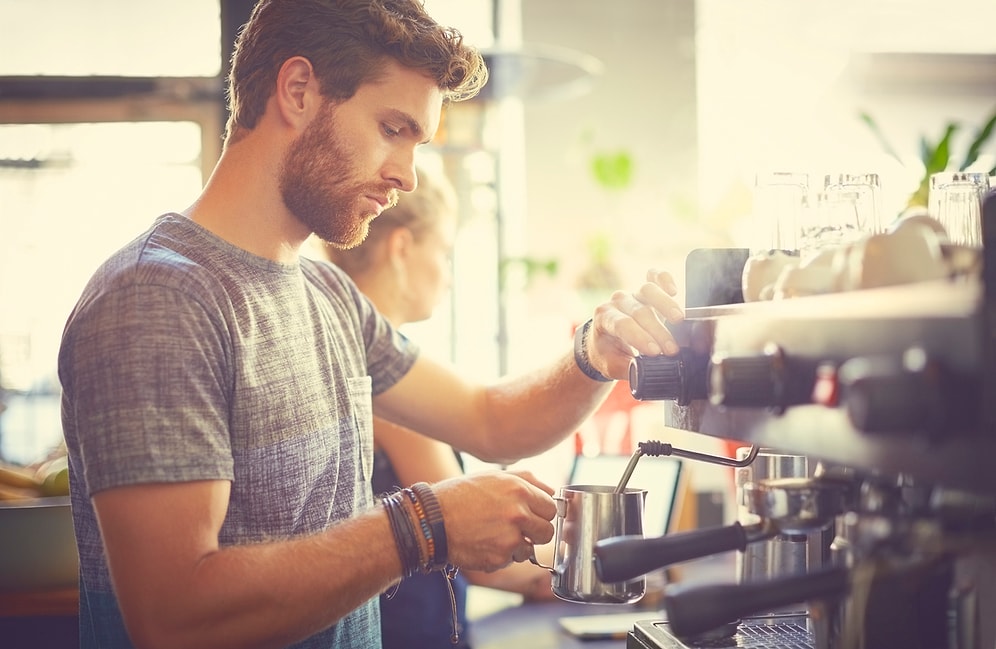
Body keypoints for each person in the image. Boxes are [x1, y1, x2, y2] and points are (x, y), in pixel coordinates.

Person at [56, 1, 686, 648]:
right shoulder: (156, 298)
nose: (407, 177)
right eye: (393, 128)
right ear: (298, 90)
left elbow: (491, 419)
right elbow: (176, 617)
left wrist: (593, 353)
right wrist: (423, 526)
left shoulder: (328, 293)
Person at [318, 164, 556, 648]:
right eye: (444, 252)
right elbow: (469, 543)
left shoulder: (334, 349)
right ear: (402, 248)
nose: (447, 276)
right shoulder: (385, 380)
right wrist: (565, 580)